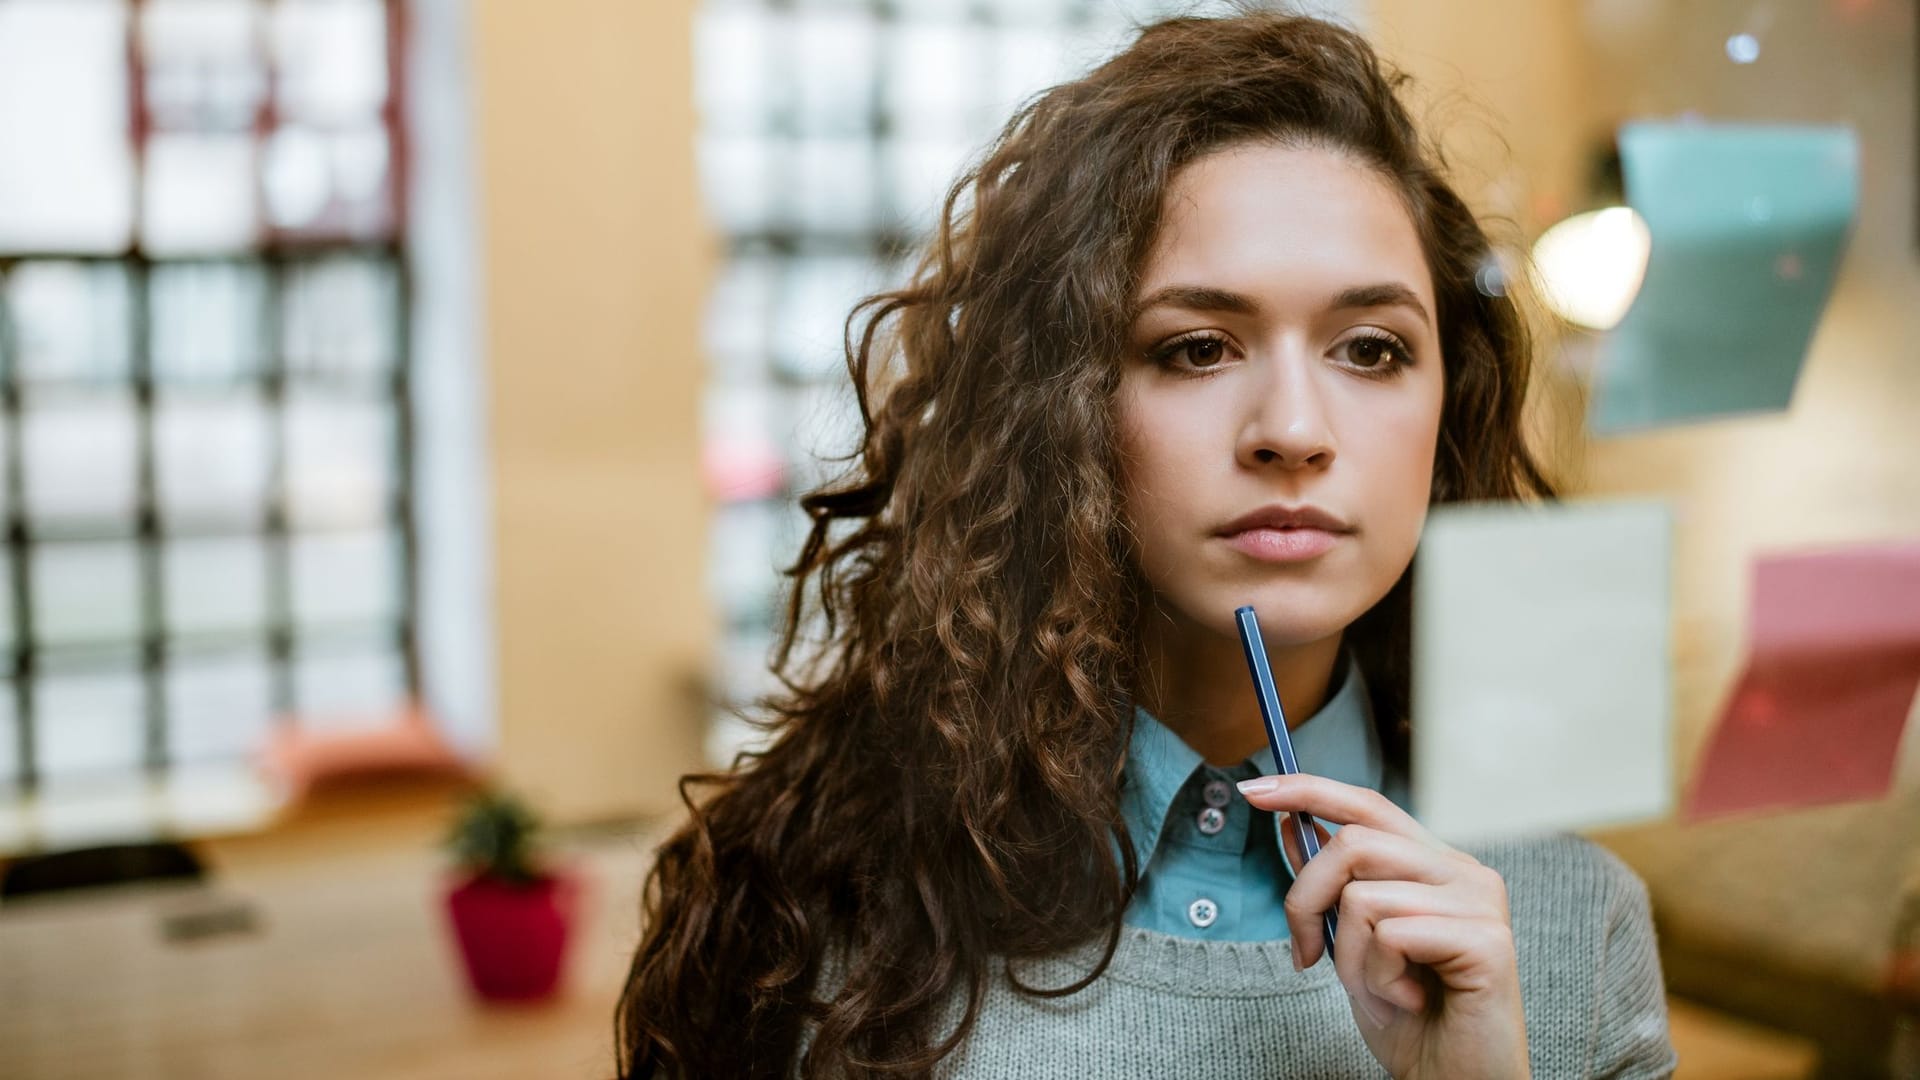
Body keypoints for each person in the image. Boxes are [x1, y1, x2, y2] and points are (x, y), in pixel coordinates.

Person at [617, 11, 1676, 1079]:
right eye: (1199, 348)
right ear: (1063, 409)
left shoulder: (1569, 931)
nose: (1294, 432)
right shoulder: (823, 910)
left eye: (1370, 348)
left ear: (1450, 406)